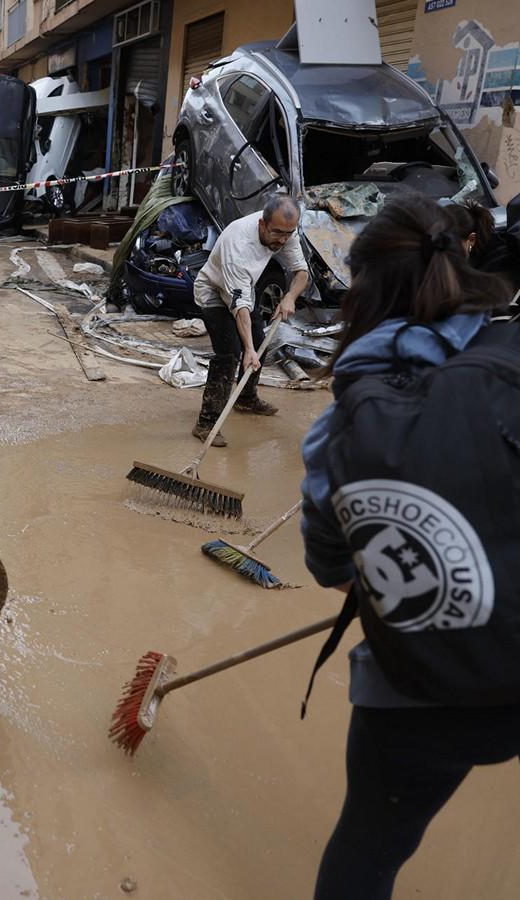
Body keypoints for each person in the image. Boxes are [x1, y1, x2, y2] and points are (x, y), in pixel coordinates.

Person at [300, 194, 515, 899]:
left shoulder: (349, 418)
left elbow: (331, 563)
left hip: (417, 697)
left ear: (367, 289)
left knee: (369, 848)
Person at [191, 195, 310, 445]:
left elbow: (301, 272)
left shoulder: (285, 231)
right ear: (261, 225)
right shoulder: (239, 245)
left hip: (244, 288)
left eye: (288, 234)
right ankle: (207, 423)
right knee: (230, 354)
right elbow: (240, 306)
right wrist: (247, 350)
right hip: (213, 291)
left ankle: (246, 398)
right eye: (277, 233)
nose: (282, 240)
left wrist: (289, 297)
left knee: (259, 340)